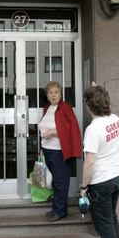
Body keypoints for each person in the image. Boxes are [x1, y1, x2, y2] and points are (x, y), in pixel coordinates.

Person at [80, 84, 119, 238]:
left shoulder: (93, 129)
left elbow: (90, 162)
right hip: (117, 178)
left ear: (89, 106)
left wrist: (84, 188)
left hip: (101, 183)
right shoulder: (115, 120)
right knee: (112, 218)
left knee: (105, 227)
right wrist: (99, 89)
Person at [38, 81, 82, 222]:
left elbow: (71, 129)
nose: (53, 95)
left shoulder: (65, 108)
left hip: (61, 151)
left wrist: (53, 133)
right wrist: (42, 147)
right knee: (56, 182)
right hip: (48, 150)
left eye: (56, 92)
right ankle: (56, 208)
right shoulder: (47, 108)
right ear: (47, 95)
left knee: (60, 182)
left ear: (61, 94)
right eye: (50, 93)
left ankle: (60, 212)